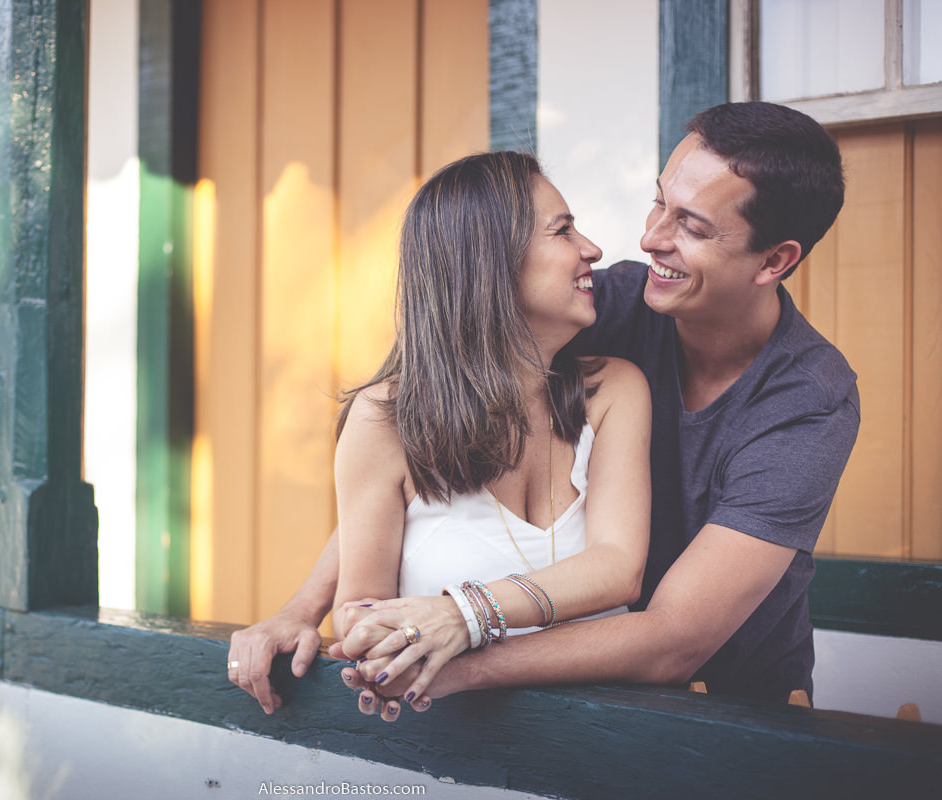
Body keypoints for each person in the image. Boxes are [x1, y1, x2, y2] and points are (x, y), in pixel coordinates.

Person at [228, 101, 858, 717]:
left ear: (775, 260)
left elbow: (674, 639)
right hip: (568, 695)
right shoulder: (609, 304)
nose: (648, 238)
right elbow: (421, 431)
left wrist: (456, 646)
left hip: (730, 710)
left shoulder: (809, 399)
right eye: (659, 202)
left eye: (691, 227)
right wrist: (304, 607)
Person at [326, 152, 652, 721]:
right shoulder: (383, 419)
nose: (592, 250)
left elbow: (619, 566)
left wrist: (464, 615)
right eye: (563, 230)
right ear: (491, 263)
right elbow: (356, 611)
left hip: (612, 748)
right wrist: (367, 631)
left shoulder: (615, 391)